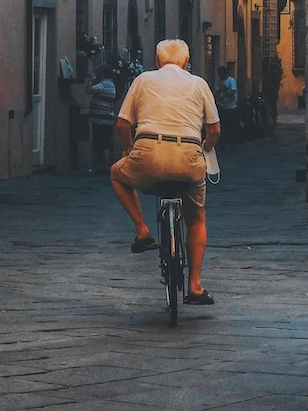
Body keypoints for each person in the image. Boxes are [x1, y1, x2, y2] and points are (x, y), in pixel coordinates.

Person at [109, 40, 220, 303]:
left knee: (116, 174)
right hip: (188, 156)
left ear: (158, 62)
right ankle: (194, 286)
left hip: (148, 152)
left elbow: (123, 125)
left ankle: (142, 230)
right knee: (196, 219)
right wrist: (204, 147)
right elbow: (214, 130)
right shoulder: (199, 83)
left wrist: (129, 151)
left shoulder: (143, 80)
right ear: (186, 61)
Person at [86, 62, 117, 171]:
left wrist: (90, 80)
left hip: (101, 119)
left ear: (103, 74)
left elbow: (88, 90)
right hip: (107, 118)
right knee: (105, 141)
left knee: (103, 142)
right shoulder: (111, 84)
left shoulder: (104, 84)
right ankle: (105, 165)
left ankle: (105, 166)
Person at [216, 63, 239, 147]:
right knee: (223, 126)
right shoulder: (220, 82)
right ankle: (223, 143)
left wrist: (223, 97)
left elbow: (233, 91)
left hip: (232, 107)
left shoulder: (231, 81)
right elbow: (218, 91)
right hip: (224, 106)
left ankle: (234, 143)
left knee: (232, 126)